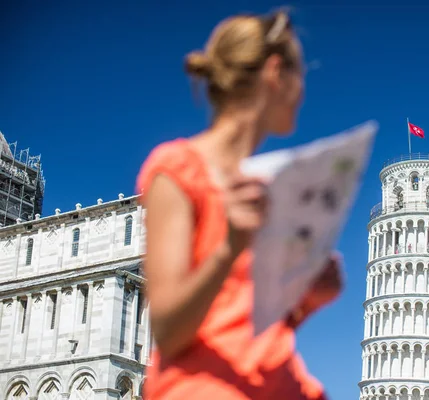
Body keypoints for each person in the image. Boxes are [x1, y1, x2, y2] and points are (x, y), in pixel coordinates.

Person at [136, 10, 342, 400]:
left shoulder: (266, 185)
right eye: (303, 72)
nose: (304, 89)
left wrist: (305, 299)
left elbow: (239, 320)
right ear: (276, 72)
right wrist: (230, 247)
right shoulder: (178, 169)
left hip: (276, 383)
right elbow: (168, 328)